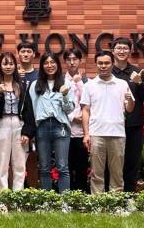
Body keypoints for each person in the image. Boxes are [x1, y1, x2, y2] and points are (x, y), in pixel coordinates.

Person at [81, 50, 135, 194]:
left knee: (117, 173)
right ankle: (97, 203)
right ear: (96, 64)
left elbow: (129, 109)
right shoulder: (89, 85)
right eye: (100, 63)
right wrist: (86, 134)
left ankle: (115, 203)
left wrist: (130, 99)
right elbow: (85, 110)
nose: (103, 66)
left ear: (112, 64)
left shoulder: (122, 84)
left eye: (106, 63)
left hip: (117, 133)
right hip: (96, 134)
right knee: (97, 173)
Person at [0, 52, 36, 190]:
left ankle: (18, 199)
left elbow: (29, 111)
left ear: (15, 66)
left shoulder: (22, 86)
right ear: (0, 66)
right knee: (1, 163)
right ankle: (3, 200)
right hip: (2, 124)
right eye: (5, 64)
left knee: (19, 164)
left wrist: (27, 132)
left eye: (11, 64)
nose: (8, 67)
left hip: (19, 124)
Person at [110, 37, 144, 192]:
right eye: (118, 48)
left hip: (134, 125)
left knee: (132, 162)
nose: (121, 51)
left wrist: (139, 83)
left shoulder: (138, 72)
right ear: (113, 51)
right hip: (112, 125)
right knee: (113, 162)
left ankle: (129, 197)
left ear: (130, 51)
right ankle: (113, 196)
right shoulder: (108, 72)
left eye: (125, 48)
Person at [29, 52, 75, 193]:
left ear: (57, 64)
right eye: (46, 63)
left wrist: (65, 95)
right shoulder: (35, 85)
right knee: (44, 167)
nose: (50, 65)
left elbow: (69, 109)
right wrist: (31, 133)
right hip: (41, 127)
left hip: (60, 127)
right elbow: (32, 110)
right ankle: (47, 201)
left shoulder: (66, 84)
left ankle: (64, 202)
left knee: (62, 167)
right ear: (42, 66)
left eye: (52, 62)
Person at [63, 48, 90, 193]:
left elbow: (90, 102)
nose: (72, 62)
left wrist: (80, 83)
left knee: (81, 166)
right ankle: (68, 195)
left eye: (75, 59)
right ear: (65, 61)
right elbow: (57, 104)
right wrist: (73, 117)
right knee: (67, 165)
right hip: (65, 131)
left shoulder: (87, 81)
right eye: (69, 59)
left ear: (80, 61)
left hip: (81, 132)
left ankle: (81, 194)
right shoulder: (60, 81)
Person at [16, 41, 40, 188]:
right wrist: (15, 77)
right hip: (14, 122)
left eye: (29, 51)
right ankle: (13, 194)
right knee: (14, 161)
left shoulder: (39, 75)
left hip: (34, 122)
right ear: (18, 54)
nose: (25, 54)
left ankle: (33, 194)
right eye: (23, 51)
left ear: (34, 55)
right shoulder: (12, 74)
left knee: (32, 159)